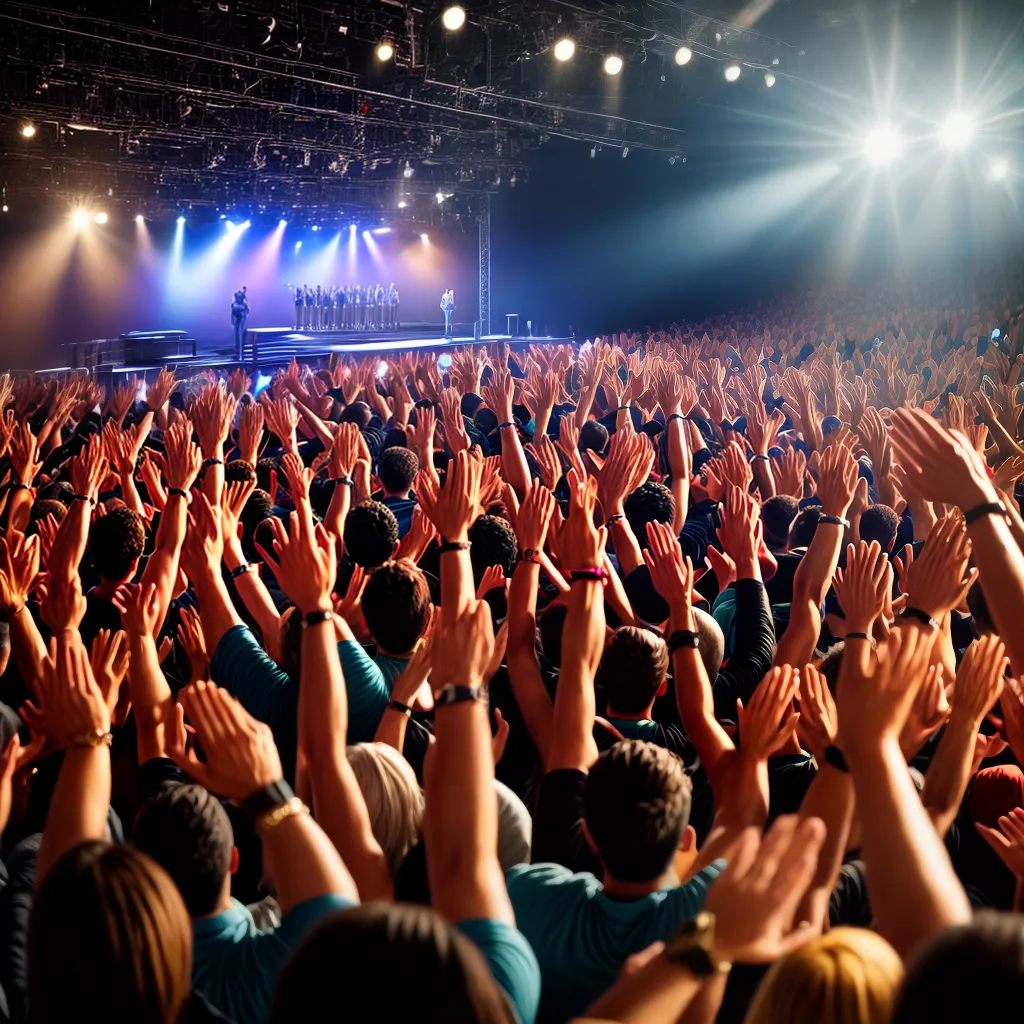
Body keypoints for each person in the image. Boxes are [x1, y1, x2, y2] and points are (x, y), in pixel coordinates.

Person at [230, 286, 249, 360]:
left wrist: (245, 314)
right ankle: (238, 353)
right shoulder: (236, 298)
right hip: (238, 317)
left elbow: (246, 308)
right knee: (237, 335)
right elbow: (233, 309)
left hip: (241, 317)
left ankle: (240, 354)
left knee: (240, 335)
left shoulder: (243, 299)